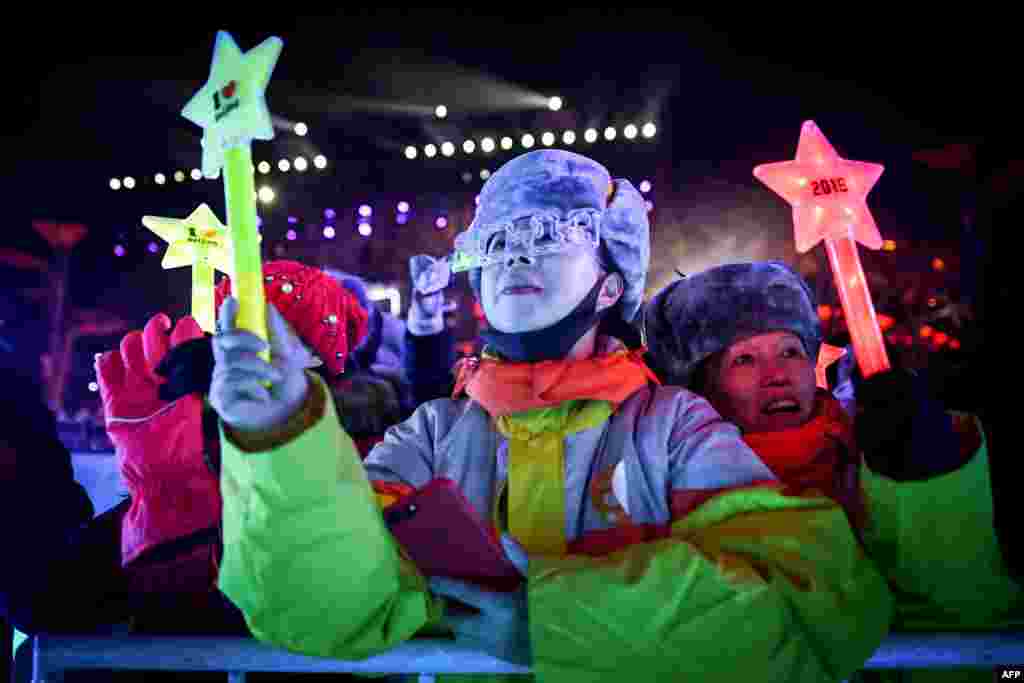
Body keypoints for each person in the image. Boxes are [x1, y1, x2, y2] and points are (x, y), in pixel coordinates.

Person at [208, 150, 891, 682]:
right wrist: (281, 442)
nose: (518, 255)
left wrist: (559, 620)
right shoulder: (433, 434)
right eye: (498, 242)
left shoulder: (673, 428)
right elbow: (326, 611)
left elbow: (814, 602)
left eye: (550, 233)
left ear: (612, 283)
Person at [643, 260, 1022, 681]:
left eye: (791, 351)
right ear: (701, 386)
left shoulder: (875, 451)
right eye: (745, 359)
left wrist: (929, 484)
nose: (778, 376)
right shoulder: (662, 484)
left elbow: (963, 612)